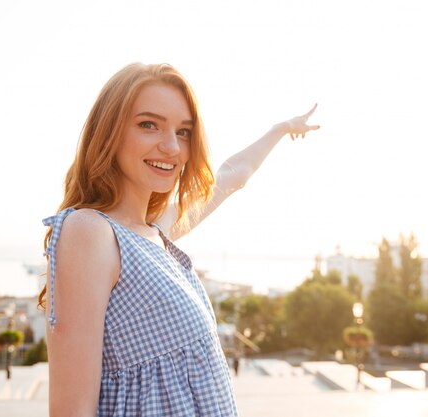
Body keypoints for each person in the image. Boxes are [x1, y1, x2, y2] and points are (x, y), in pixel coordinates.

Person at [41, 63, 319, 416]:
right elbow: (71, 410)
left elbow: (232, 176)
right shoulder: (91, 232)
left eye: (184, 132)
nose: (171, 146)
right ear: (108, 131)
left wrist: (280, 130)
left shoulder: (154, 230)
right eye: (148, 125)